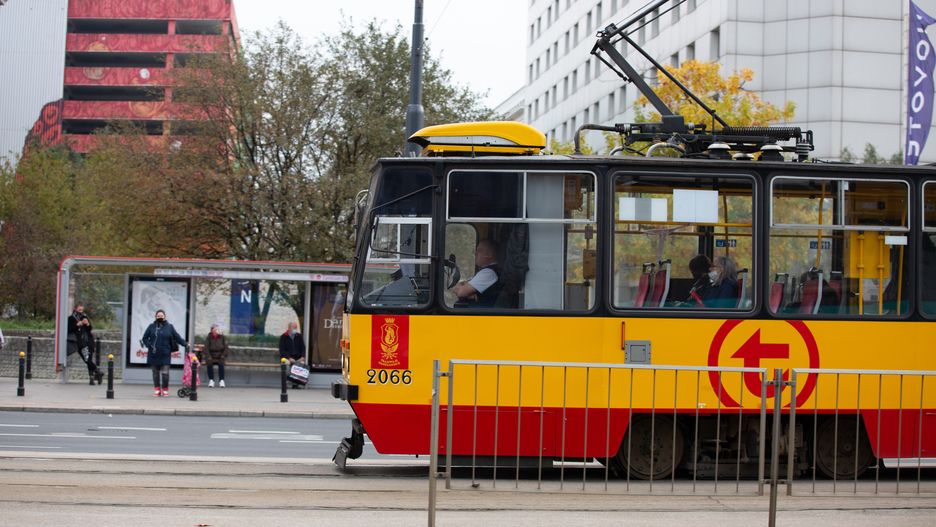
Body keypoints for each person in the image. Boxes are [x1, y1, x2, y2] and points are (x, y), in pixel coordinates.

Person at [142, 309, 187, 397]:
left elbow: (177, 337)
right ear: (155, 317)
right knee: (155, 373)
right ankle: (157, 389)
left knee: (165, 372)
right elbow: (144, 338)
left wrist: (185, 344)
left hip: (165, 353)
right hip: (154, 353)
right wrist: (149, 345)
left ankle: (165, 389)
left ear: (165, 317)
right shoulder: (151, 326)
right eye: (158, 316)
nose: (160, 317)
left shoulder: (170, 327)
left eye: (161, 316)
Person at [451, 240, 503, 307]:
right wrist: (469, 294)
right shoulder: (484, 271)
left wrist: (465, 291)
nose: (475, 253)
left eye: (479, 251)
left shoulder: (488, 273)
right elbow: (455, 287)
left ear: (489, 254)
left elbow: (461, 292)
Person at [66, 303, 103, 385]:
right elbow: (68, 330)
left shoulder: (84, 317)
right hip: (80, 343)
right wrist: (77, 325)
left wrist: (87, 324)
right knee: (87, 360)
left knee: (88, 359)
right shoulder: (71, 319)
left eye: (82, 310)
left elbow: (89, 329)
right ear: (75, 309)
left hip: (88, 341)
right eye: (79, 310)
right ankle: (98, 372)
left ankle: (92, 378)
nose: (81, 312)